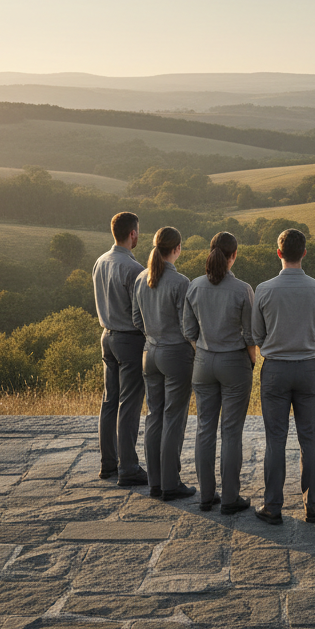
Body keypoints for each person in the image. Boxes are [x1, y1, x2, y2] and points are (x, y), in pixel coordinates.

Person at [251, 228, 315, 525]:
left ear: (279, 252)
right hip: (309, 367)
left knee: (276, 440)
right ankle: (312, 504)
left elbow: (256, 334)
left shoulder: (264, 289)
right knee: (309, 438)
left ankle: (273, 505)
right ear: (305, 253)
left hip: (275, 370)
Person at [183, 232, 255, 514]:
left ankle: (206, 496)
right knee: (231, 432)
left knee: (204, 430)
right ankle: (230, 498)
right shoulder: (242, 289)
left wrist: (202, 348)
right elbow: (250, 335)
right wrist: (251, 361)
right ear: (233, 255)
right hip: (234, 362)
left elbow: (189, 330)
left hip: (203, 361)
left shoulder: (195, 286)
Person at [132, 227, 195, 500]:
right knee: (174, 418)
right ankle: (171, 483)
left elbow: (136, 320)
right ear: (177, 248)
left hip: (150, 353)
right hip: (175, 354)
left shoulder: (141, 278)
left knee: (153, 416)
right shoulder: (181, 282)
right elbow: (188, 326)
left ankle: (155, 482)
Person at [92, 211, 147, 486]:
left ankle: (107, 464)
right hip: (129, 339)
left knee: (109, 401)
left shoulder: (100, 262)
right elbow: (139, 315)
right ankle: (128, 467)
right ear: (133, 233)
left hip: (106, 336)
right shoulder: (134, 269)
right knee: (130, 404)